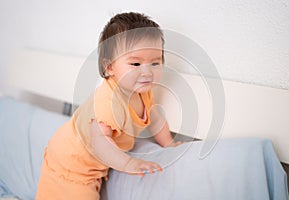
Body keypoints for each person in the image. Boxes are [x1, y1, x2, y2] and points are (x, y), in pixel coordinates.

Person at [36, 12, 181, 200]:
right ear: (110, 67)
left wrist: (169, 143)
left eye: (155, 62)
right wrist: (129, 164)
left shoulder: (143, 91)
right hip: (73, 164)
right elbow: (101, 142)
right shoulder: (108, 102)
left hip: (86, 163)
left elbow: (155, 118)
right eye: (136, 63)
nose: (147, 72)